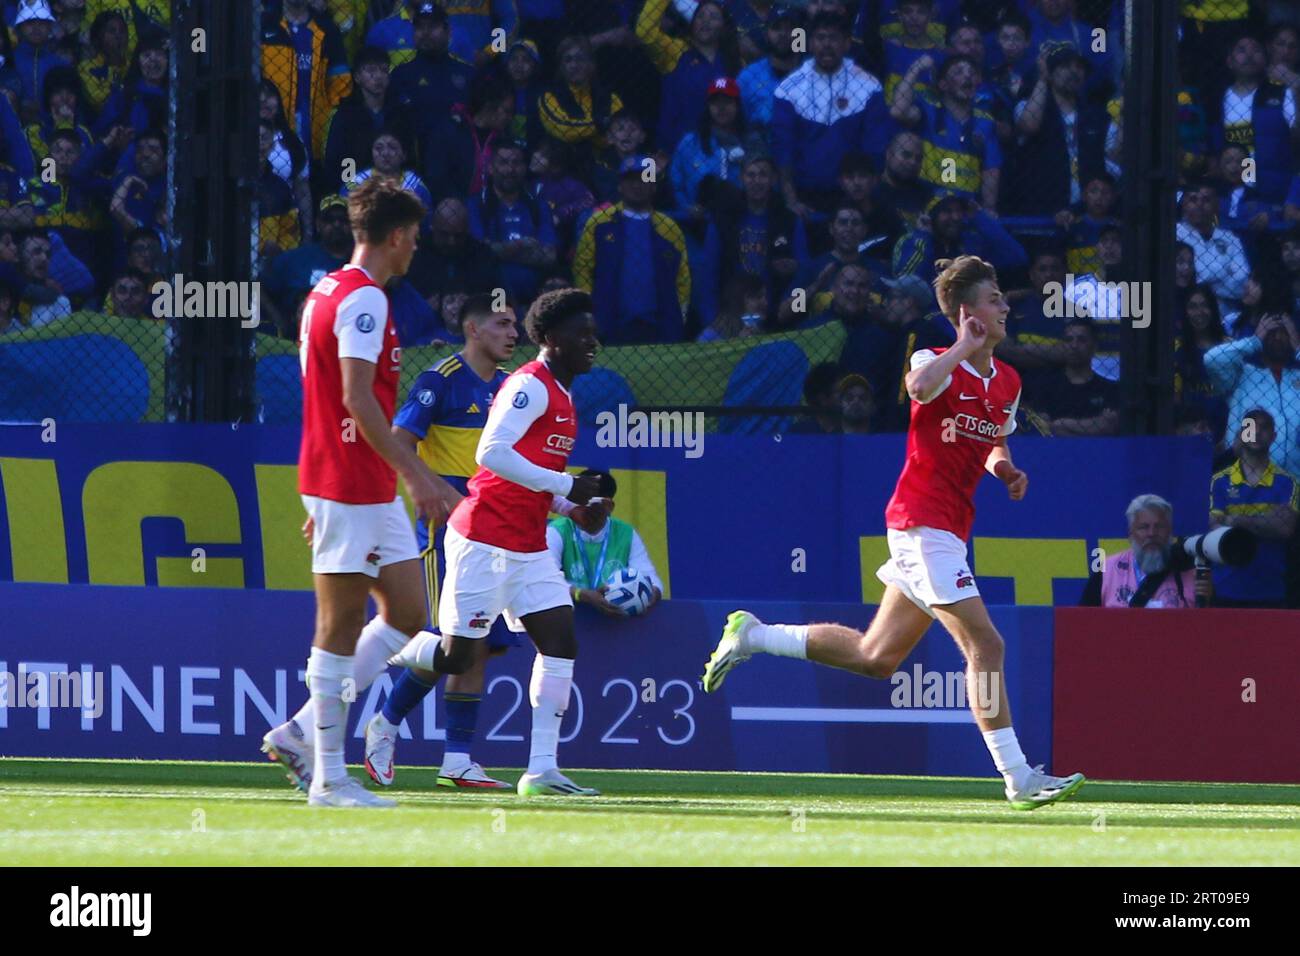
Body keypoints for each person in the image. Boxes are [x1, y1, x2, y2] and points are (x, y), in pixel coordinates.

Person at [702, 254, 1087, 811]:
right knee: (986, 643)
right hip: (920, 522)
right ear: (967, 312)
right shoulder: (937, 357)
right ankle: (1017, 777)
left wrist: (1003, 467)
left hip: (950, 529)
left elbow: (995, 439)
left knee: (875, 657)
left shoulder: (1009, 380)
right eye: (995, 297)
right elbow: (918, 388)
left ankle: (753, 635)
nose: (1006, 305)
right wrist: (961, 346)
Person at [263, 176, 445, 808]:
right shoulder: (365, 300)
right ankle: (329, 780)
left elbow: (323, 397)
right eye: (414, 239)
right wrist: (418, 478)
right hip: (351, 483)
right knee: (338, 622)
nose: (415, 250)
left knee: (408, 613)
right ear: (395, 237)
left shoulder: (325, 292)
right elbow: (355, 399)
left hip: (354, 483)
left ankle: (298, 733)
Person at [388, 288, 605, 797]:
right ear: (552, 340)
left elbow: (531, 474)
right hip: (483, 537)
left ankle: (541, 771)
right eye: (582, 334)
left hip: (526, 544)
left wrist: (571, 508)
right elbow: (491, 454)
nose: (593, 342)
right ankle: (385, 644)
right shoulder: (529, 386)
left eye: (595, 333)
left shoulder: (564, 393)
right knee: (458, 657)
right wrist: (566, 485)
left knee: (560, 640)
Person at [364, 295, 529, 789]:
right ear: (473, 329)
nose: (513, 333)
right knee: (453, 640)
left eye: (515, 325)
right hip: (446, 532)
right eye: (502, 323)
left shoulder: (508, 389)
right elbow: (398, 439)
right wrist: (431, 489)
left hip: (493, 531)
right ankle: (386, 720)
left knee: (477, 649)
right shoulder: (441, 379)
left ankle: (457, 759)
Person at [573, 154, 690, 344]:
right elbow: (582, 269)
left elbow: (682, 278)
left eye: (644, 179)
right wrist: (588, 312)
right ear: (620, 185)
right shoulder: (599, 222)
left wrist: (679, 317)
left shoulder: (669, 228)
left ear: (654, 185)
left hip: (659, 327)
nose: (637, 185)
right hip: (609, 324)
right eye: (631, 179)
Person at [1209, 408, 1298, 609]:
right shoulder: (1219, 481)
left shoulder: (1288, 482)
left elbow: (1284, 529)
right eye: (1250, 427)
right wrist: (1265, 520)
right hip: (1225, 588)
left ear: (1274, 436)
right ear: (1241, 434)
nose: (1256, 432)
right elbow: (1214, 529)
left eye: (1264, 427)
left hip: (1271, 589)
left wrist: (1234, 520)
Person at [547, 469, 664, 614]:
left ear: (609, 506)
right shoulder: (557, 531)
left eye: (591, 504)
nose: (584, 511)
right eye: (578, 504)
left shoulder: (625, 533)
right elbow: (546, 581)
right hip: (568, 617)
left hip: (617, 620)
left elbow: (651, 578)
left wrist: (651, 593)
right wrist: (582, 595)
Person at [1205, 312, 1300, 481]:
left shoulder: (1297, 375)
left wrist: (1299, 348)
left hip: (1296, 481)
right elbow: (1211, 359)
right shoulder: (1243, 374)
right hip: (1245, 482)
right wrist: (1253, 341)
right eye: (1271, 332)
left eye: (1284, 332)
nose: (1277, 337)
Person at [1080, 494, 1205, 609]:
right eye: (1143, 527)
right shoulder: (1107, 571)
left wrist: (1208, 600)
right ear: (1130, 534)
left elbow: (1210, 626)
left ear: (1170, 532)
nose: (1152, 533)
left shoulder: (1191, 572)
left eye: (1159, 526)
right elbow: (1083, 624)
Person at [1026, 318, 1120, 436]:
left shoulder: (1109, 389)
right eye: (1069, 340)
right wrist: (1090, 426)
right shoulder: (1046, 387)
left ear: (1094, 346)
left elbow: (1108, 427)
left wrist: (1061, 424)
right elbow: (1044, 429)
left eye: (1082, 340)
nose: (1074, 345)